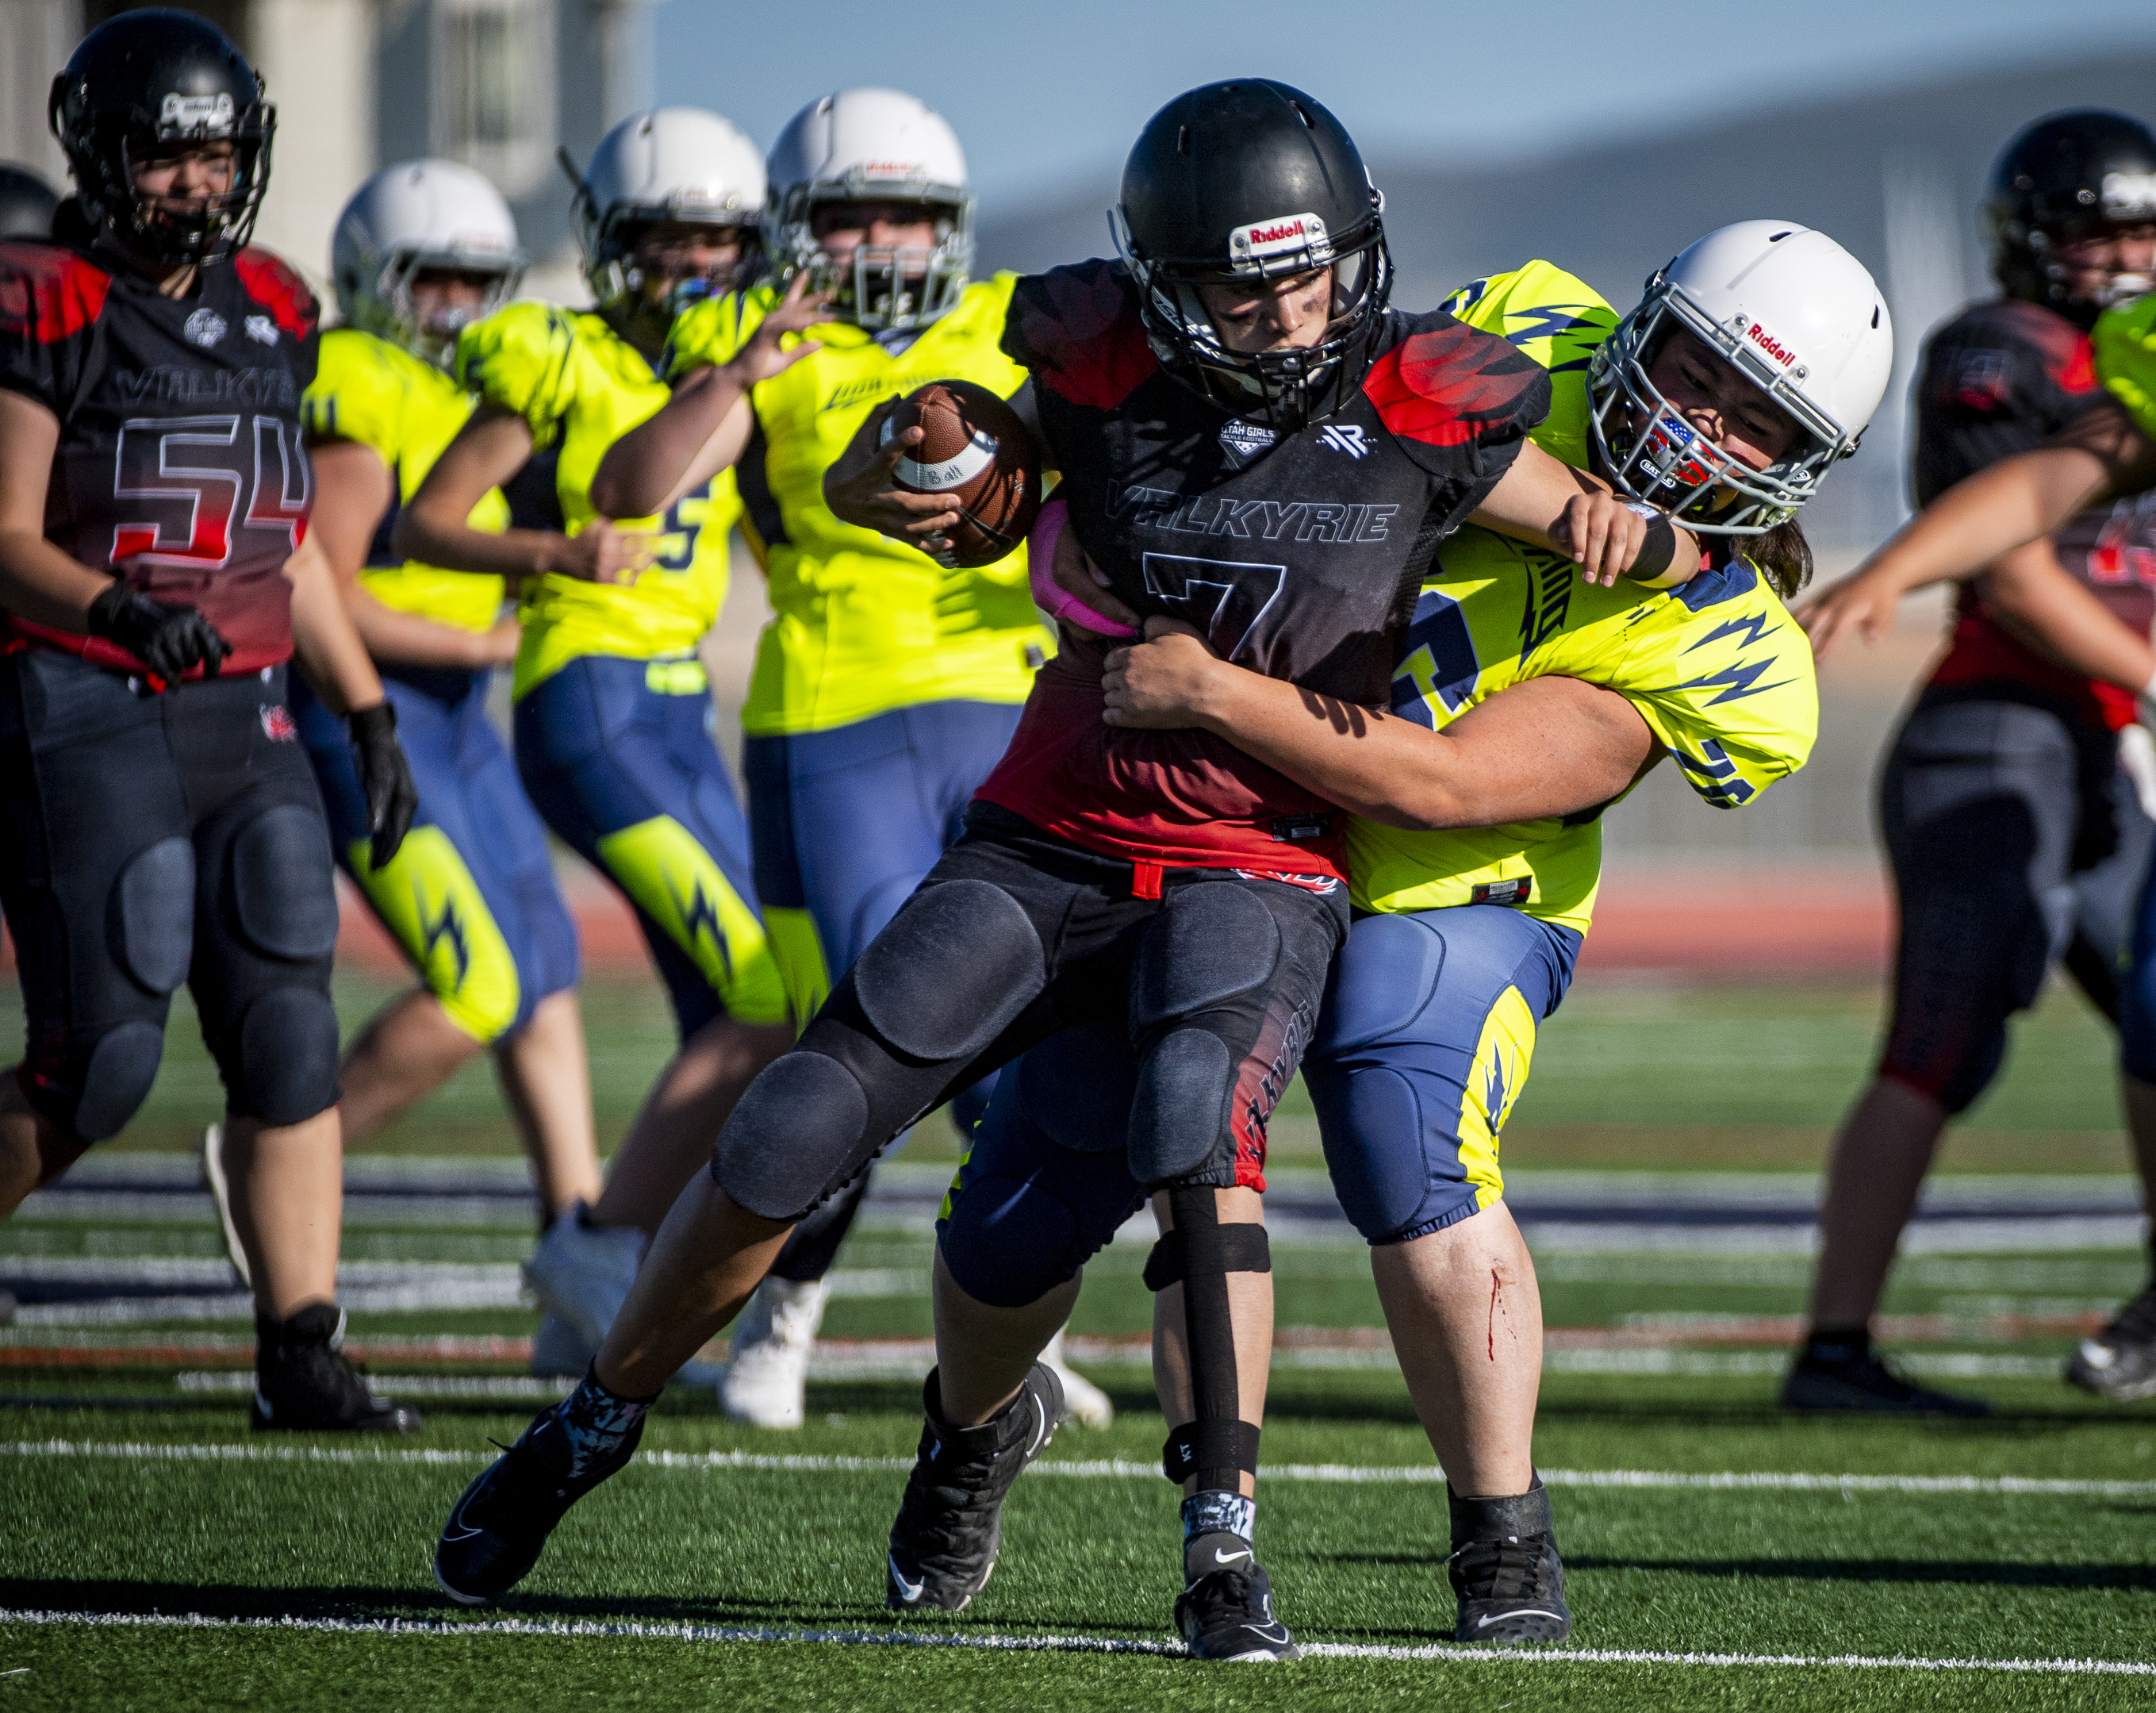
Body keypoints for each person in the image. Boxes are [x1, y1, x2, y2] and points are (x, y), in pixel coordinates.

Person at [432, 79, 1673, 1661]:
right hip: (1049, 833)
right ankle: (596, 1423)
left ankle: (1220, 1539)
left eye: (1315, 273)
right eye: (1248, 283)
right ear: (1163, 284)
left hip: (1256, 857)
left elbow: (1608, 527)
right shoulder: (1088, 354)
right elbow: (923, 455)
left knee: (1190, 1130)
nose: (1293, 314)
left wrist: (1713, 537)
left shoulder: (1432, 394)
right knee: (799, 1115)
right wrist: (912, 458)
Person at [923, 226, 1878, 1643]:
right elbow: (1296, 394)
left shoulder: (1736, 648)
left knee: (1401, 1115)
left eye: (1753, 416)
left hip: (1447, 887)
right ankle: (967, 1434)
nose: (1697, 421)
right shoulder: (1528, 335)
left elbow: (1445, 785)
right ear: (1644, 323)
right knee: (1031, 1193)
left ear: (1800, 462)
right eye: (1692, 370)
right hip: (1216, 836)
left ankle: (1504, 1534)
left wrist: (1211, 693)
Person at [1799, 87, 2156, 1408]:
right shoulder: (2032, 350)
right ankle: (1836, 1348)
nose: (2128, 261)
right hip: (2006, 734)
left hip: (2110, 739)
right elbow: (2014, 549)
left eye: (2148, 237)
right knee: (1943, 1042)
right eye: (2096, 237)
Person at [589, 87, 1105, 1431]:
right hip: (833, 723)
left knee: (1024, 1045)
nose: (881, 239)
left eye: (909, 214)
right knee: (867, 1035)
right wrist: (742, 370)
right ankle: (786, 1316)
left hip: (1009, 713)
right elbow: (626, 493)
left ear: (953, 227)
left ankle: (1011, 1322)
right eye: (852, 212)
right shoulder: (752, 335)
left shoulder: (1011, 322)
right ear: (797, 227)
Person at [0, 10, 418, 1429]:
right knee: (103, 1065)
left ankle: (303, 1349)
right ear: (100, 153)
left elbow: (284, 547)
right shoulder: (43, 298)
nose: (196, 181)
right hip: (84, 702)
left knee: (292, 1035)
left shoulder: (281, 308)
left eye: (216, 152)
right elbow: (1, 532)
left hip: (246, 722)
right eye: (165, 156)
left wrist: (365, 711)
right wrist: (112, 608)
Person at [393, 108, 796, 1363]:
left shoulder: (741, 361)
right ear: (616, 244)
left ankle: (612, 1303)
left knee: (733, 1008)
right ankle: (594, 1244)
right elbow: (427, 523)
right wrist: (556, 551)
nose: (691, 268)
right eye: (667, 242)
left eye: (715, 244)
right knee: (768, 997)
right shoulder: (557, 355)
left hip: (679, 702)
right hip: (590, 698)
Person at [272, 159, 601, 1377]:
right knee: (480, 985)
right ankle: (287, 1152)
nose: (460, 304)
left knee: (549, 970)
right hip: (373, 712)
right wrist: (488, 635)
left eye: (478, 279)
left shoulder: (472, 388)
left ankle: (581, 1250)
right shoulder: (363, 378)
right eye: (436, 279)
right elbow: (333, 588)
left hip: (456, 715)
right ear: (376, 282)